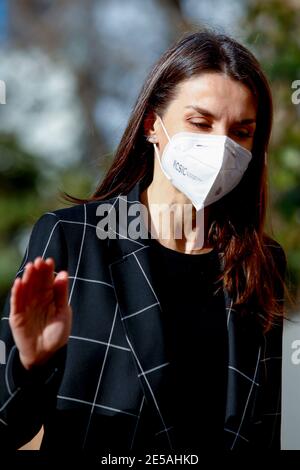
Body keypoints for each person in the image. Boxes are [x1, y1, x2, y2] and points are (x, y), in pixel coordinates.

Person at [0, 30, 286, 453]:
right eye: (200, 123)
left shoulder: (261, 262)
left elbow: (270, 426)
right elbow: (8, 428)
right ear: (153, 125)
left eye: (241, 132)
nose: (220, 146)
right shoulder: (75, 239)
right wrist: (30, 364)